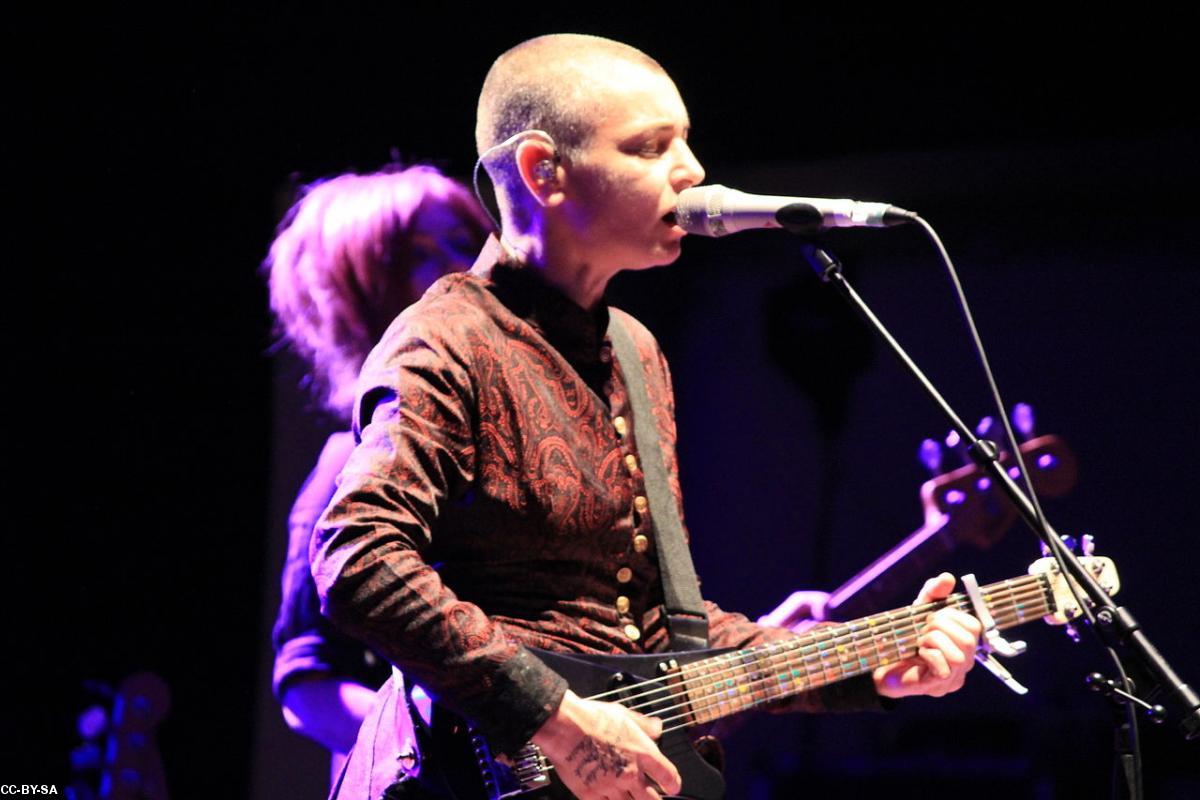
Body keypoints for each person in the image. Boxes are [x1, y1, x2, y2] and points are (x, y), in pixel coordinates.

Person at [311, 34, 983, 800]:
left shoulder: (635, 351)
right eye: (650, 146)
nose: (692, 171)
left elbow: (671, 638)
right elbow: (356, 558)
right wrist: (555, 717)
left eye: (686, 142)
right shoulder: (446, 343)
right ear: (543, 172)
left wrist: (873, 665)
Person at [264, 165, 492, 784]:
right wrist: (449, 752)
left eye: (462, 240)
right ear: (364, 291)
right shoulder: (350, 462)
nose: (458, 264)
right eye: (418, 252)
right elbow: (306, 689)